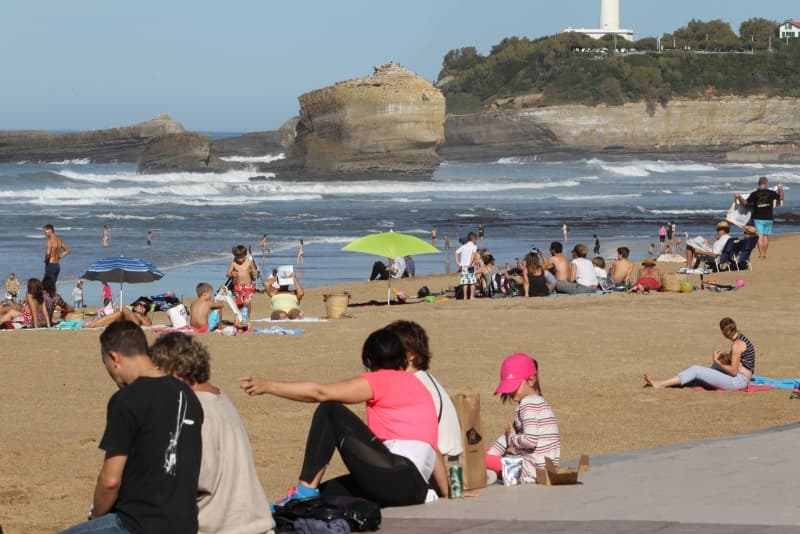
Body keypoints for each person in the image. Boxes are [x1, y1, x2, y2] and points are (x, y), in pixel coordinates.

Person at [240, 328, 448, 508]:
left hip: (397, 476)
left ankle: (305, 490)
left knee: (330, 410)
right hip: (415, 490)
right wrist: (448, 492)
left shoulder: (383, 379)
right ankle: (299, 501)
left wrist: (268, 386)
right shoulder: (419, 387)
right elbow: (434, 448)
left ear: (369, 360)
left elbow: (321, 393)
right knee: (323, 495)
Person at [58, 321, 203, 534]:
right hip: (184, 523)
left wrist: (95, 517)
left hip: (139, 524)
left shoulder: (126, 399)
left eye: (107, 366)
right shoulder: (187, 394)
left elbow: (110, 481)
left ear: (114, 358)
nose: (111, 375)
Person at [149, 333, 275, 534]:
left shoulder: (195, 411)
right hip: (250, 521)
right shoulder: (218, 397)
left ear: (176, 373)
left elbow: (195, 478)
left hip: (220, 527)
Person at [386, 320, 463, 463]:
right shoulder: (425, 379)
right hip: (446, 460)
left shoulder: (411, 385)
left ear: (410, 355)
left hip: (435, 462)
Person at [486, 353, 560, 484]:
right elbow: (506, 438)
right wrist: (493, 452)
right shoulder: (538, 403)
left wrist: (512, 439)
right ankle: (491, 471)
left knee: (478, 458)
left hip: (532, 471)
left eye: (513, 386)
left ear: (531, 380)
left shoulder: (528, 404)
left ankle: (490, 472)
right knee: (485, 454)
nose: (510, 392)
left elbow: (530, 440)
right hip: (543, 469)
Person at [644, 317, 755, 391]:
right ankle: (697, 378)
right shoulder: (742, 339)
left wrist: (717, 361)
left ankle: (659, 384)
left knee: (696, 369)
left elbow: (733, 372)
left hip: (738, 382)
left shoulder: (737, 345)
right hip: (743, 378)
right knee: (716, 364)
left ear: (723, 332)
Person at [736, 176, 785, 259]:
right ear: (766, 183)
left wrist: (739, 196)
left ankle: (761, 254)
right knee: (766, 236)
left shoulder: (754, 194)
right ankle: (764, 254)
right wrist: (780, 189)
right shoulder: (771, 193)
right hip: (769, 218)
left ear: (759, 184)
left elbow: (745, 203)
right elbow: (781, 198)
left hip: (758, 218)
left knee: (760, 236)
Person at [226, 245, 258, 312]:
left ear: (245, 255)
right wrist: (232, 274)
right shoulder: (234, 264)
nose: (240, 259)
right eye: (238, 258)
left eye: (241, 257)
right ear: (235, 256)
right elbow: (227, 274)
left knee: (247, 301)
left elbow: (254, 271)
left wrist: (253, 272)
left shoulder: (249, 262)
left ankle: (248, 317)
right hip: (238, 286)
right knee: (239, 305)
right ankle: (240, 316)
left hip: (248, 285)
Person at [85, 299, 153, 328]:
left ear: (146, 310)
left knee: (123, 308)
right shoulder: (131, 314)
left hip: (136, 324)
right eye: (140, 304)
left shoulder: (145, 316)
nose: (141, 307)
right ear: (135, 307)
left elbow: (148, 325)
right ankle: (94, 323)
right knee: (119, 313)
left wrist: (138, 315)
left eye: (144, 306)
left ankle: (93, 324)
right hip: (128, 322)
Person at [455, 232, 479, 300]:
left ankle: (465, 296)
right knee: (472, 282)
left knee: (465, 282)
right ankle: (471, 296)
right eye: (476, 239)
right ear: (473, 239)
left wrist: (458, 262)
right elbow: (473, 255)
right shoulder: (474, 246)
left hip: (463, 266)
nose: (476, 241)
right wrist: (471, 263)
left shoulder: (464, 246)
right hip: (470, 266)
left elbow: (456, 253)